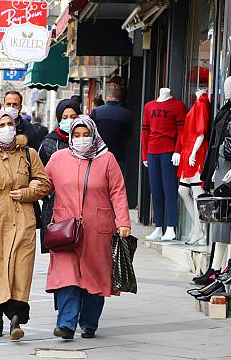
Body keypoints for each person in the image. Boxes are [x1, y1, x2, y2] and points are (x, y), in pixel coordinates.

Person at [44, 115, 131, 340]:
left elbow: (118, 192)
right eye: (76, 135)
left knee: (95, 277)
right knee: (67, 276)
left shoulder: (107, 159)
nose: (81, 139)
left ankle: (89, 322)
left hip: (97, 229)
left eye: (85, 135)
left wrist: (123, 222)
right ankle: (66, 324)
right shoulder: (57, 158)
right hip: (65, 230)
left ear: (93, 135)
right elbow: (42, 185)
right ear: (70, 137)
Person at [0, 109, 51, 341]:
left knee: (20, 270)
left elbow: (44, 183)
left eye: (10, 123)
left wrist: (27, 192)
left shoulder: (28, 153)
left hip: (23, 221)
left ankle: (16, 319)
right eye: (2, 124)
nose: (7, 128)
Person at [37, 99, 81, 253]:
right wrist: (48, 196)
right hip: (55, 205)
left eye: (73, 117)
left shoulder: (87, 142)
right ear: (58, 119)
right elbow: (39, 176)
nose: (69, 121)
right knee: (60, 248)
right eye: (65, 117)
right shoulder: (49, 143)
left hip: (82, 203)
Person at [91, 87, 133, 173]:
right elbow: (128, 134)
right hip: (118, 155)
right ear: (120, 99)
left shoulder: (96, 112)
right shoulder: (127, 114)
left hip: (99, 153)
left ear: (108, 98)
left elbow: (90, 131)